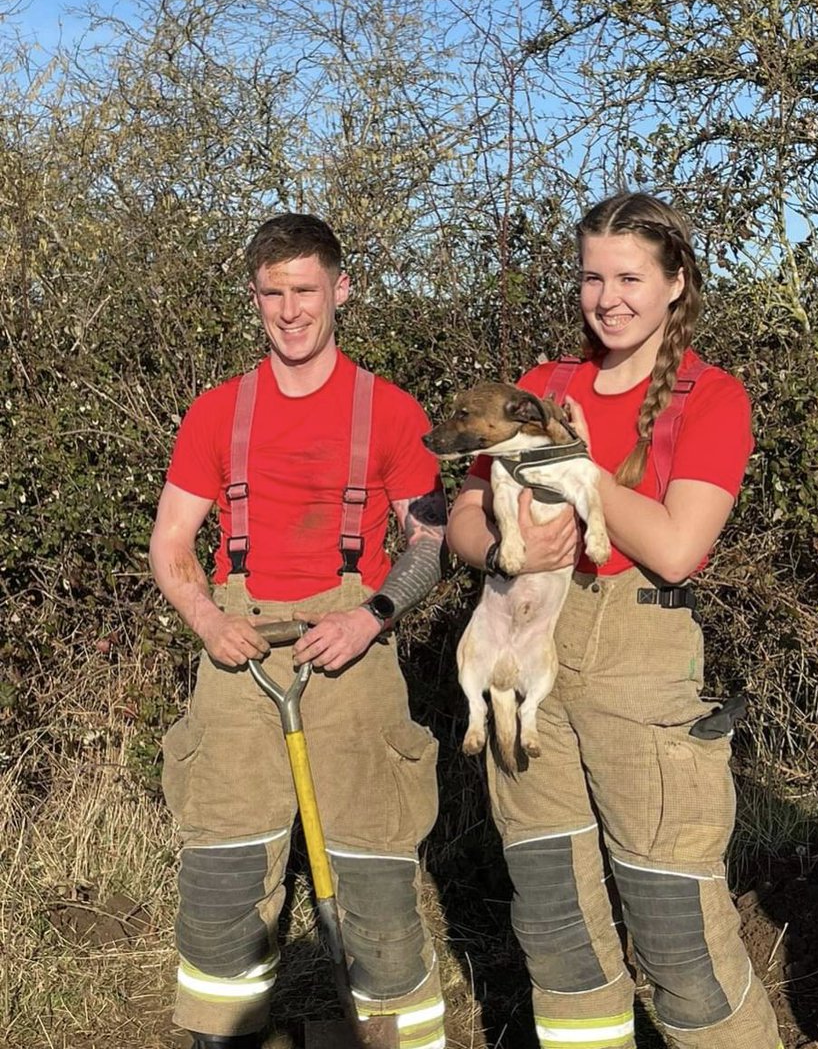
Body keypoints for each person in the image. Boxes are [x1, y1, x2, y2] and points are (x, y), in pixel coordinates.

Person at [445, 193, 783, 1049]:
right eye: (593, 276)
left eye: (630, 276)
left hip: (639, 657)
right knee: (555, 919)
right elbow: (461, 519)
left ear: (675, 284)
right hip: (530, 648)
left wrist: (581, 471)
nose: (609, 297)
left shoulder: (713, 398)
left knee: (677, 932)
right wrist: (507, 550)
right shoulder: (540, 388)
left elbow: (675, 548)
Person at [149, 213, 448, 1049]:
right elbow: (171, 545)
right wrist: (209, 621)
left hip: (352, 664)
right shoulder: (216, 414)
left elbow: (430, 544)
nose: (290, 311)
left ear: (340, 290)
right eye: (273, 294)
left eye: (305, 290)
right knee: (222, 890)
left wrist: (371, 615)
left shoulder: (391, 412)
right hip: (239, 667)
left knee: (378, 894)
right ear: (255, 300)